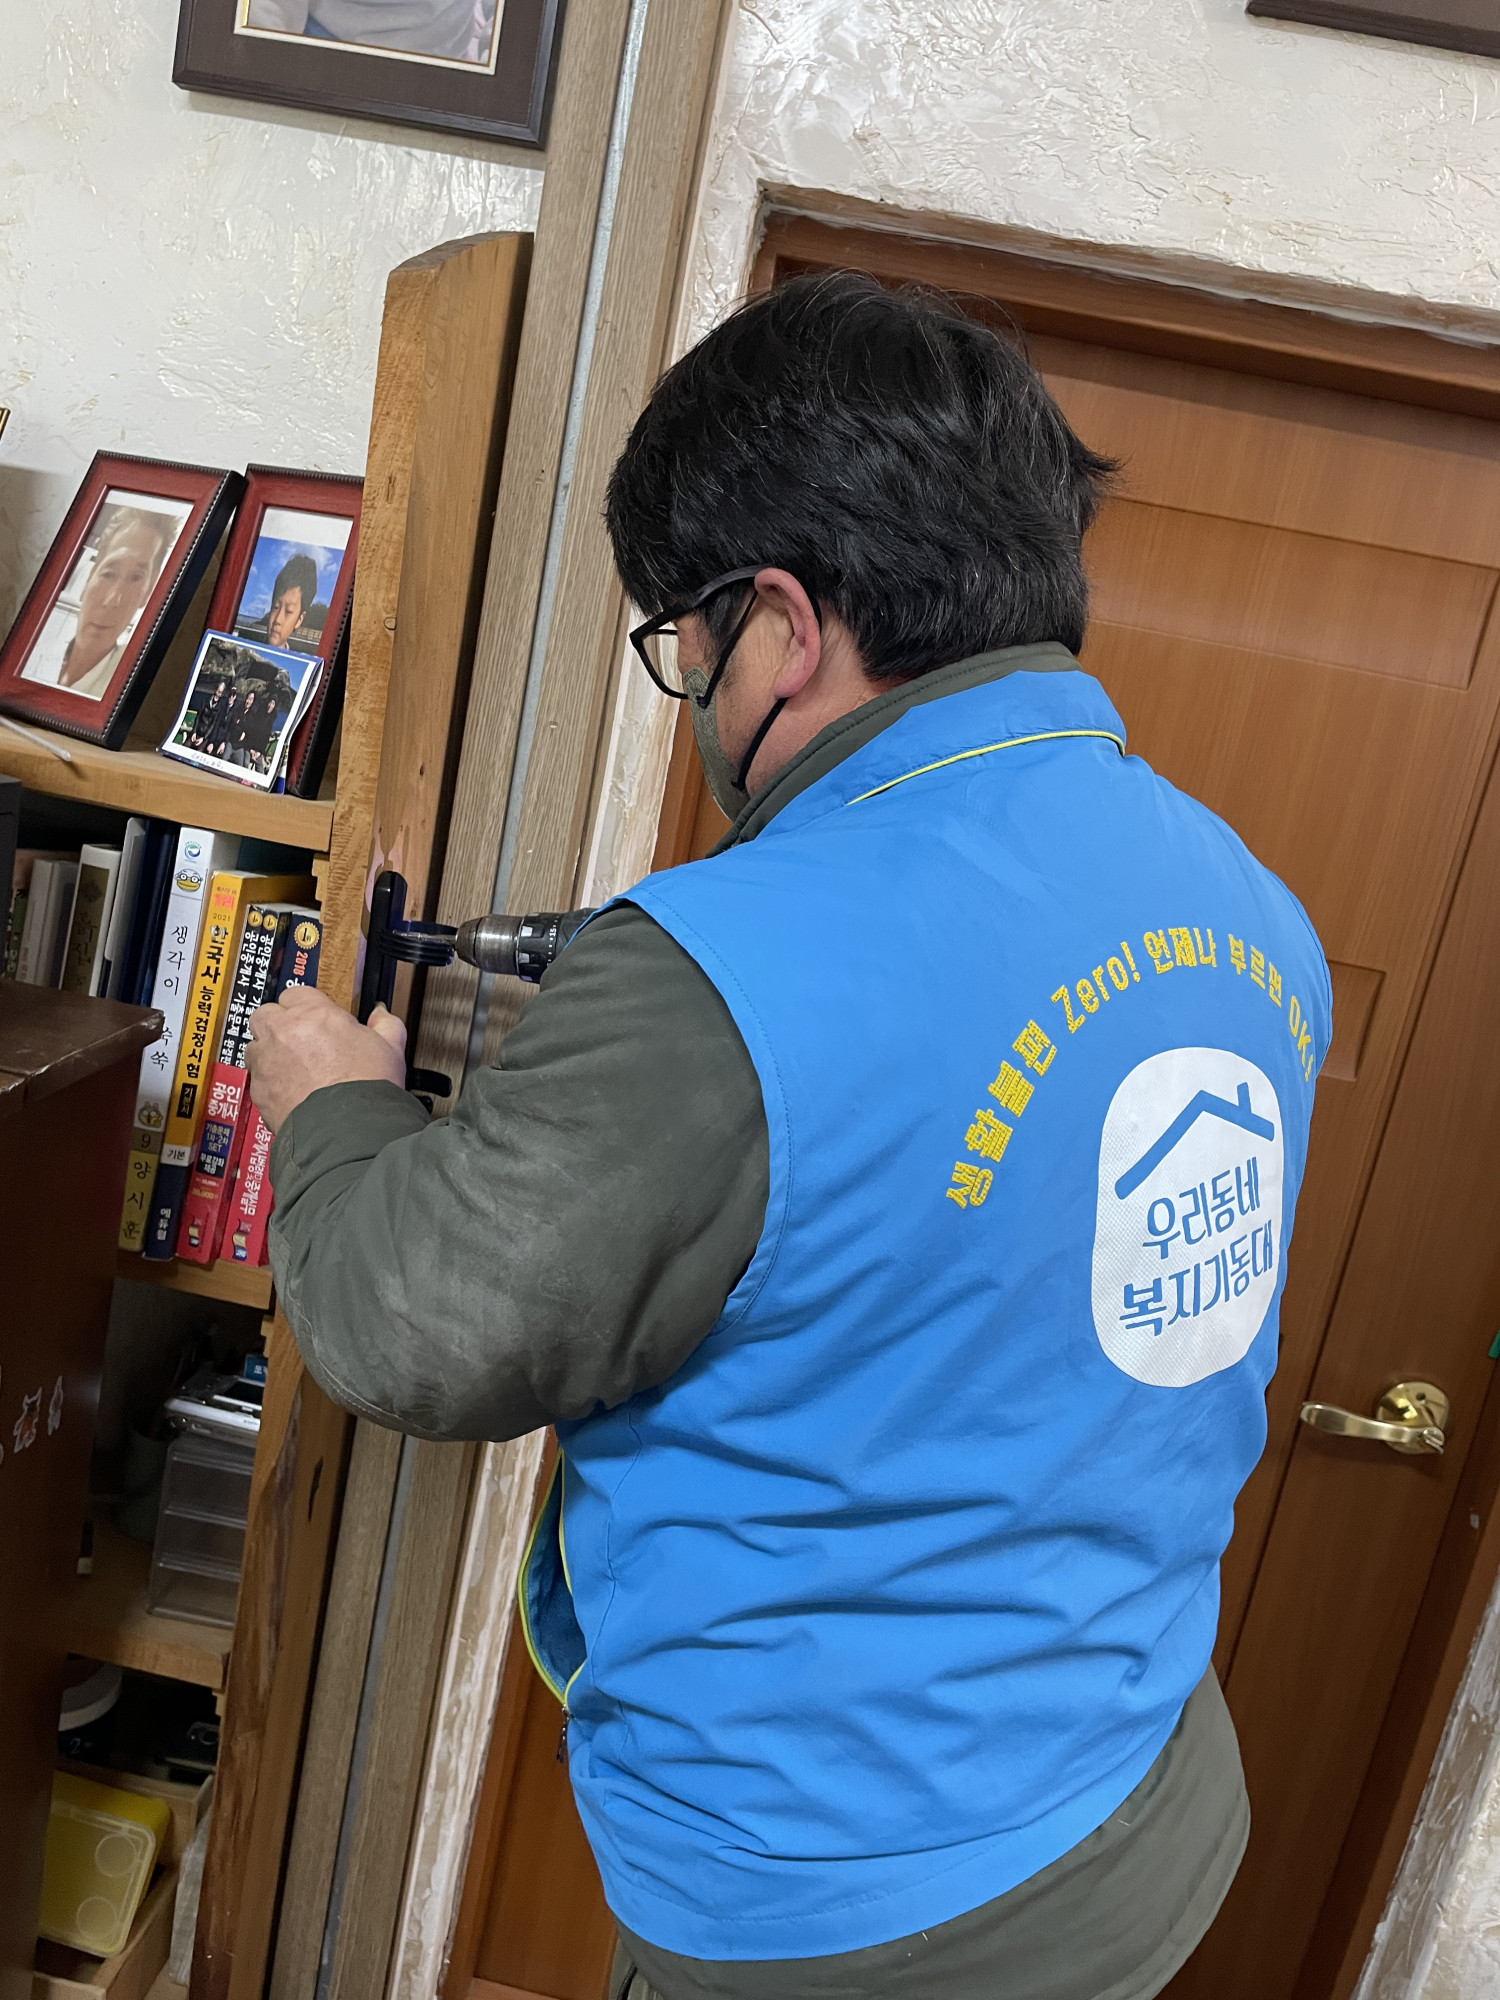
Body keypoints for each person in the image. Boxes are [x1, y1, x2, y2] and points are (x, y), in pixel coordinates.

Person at [245, 273, 1331, 2000]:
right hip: (1144, 1804)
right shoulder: (1248, 907)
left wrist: (331, 1106)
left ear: (779, 625)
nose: (689, 697)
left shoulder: (713, 967)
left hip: (851, 1916)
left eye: (681, 646)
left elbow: (414, 1324)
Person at [21, 505, 179, 700]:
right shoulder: (29, 655)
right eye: (109, 574)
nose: (113, 600)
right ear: (90, 576)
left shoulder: (130, 684)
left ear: (148, 591)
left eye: (136, 578)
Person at [239, 552, 318, 652]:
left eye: (288, 611)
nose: (277, 620)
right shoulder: (243, 645)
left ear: (299, 620)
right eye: (276, 607)